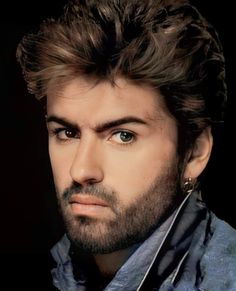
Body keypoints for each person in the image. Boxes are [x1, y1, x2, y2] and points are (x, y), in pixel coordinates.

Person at [16, 0, 236, 290]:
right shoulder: (59, 270)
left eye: (123, 135)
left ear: (194, 153)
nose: (80, 170)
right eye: (67, 133)